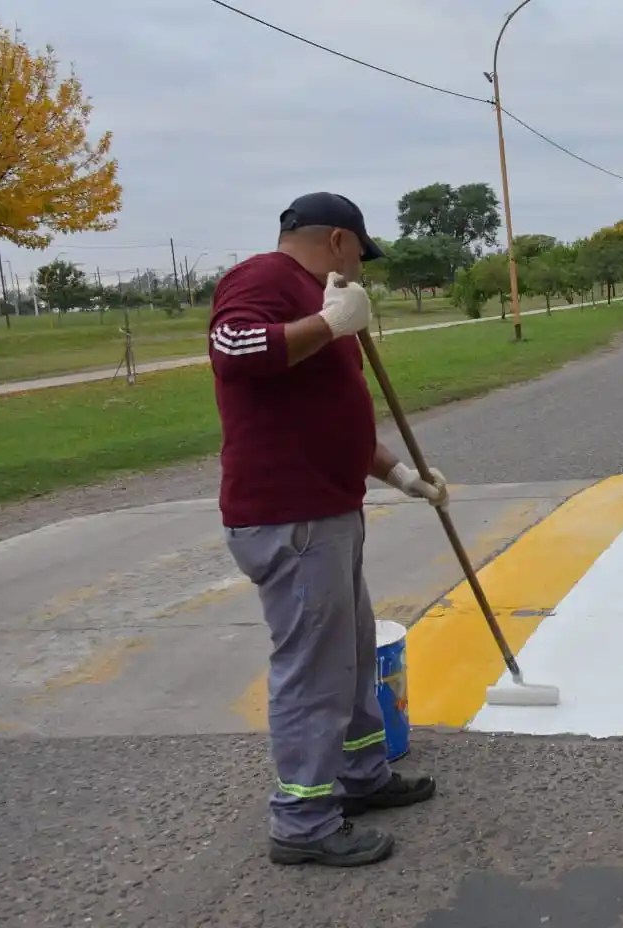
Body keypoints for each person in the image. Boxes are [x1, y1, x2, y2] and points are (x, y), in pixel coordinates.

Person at [210, 192, 450, 866]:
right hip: (289, 516)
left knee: (350, 655)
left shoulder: (318, 300)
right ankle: (302, 822)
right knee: (314, 673)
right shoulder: (262, 278)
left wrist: (401, 474)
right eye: (361, 256)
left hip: (327, 510)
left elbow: (327, 420)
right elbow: (234, 351)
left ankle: (359, 777)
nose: (362, 273)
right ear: (340, 242)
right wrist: (327, 320)